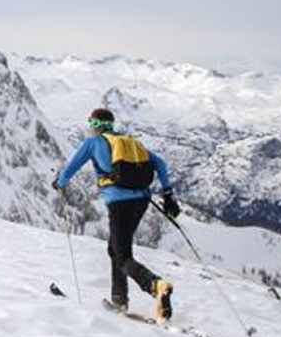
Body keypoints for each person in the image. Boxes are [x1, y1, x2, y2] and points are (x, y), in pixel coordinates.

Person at [52, 108, 183, 321]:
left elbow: (70, 168)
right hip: (141, 201)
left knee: (122, 255)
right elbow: (160, 164)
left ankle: (155, 285)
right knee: (116, 249)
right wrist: (167, 194)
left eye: (91, 123)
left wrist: (59, 183)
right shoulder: (128, 142)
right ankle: (119, 300)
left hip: (119, 204)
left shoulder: (93, 143)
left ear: (95, 125)